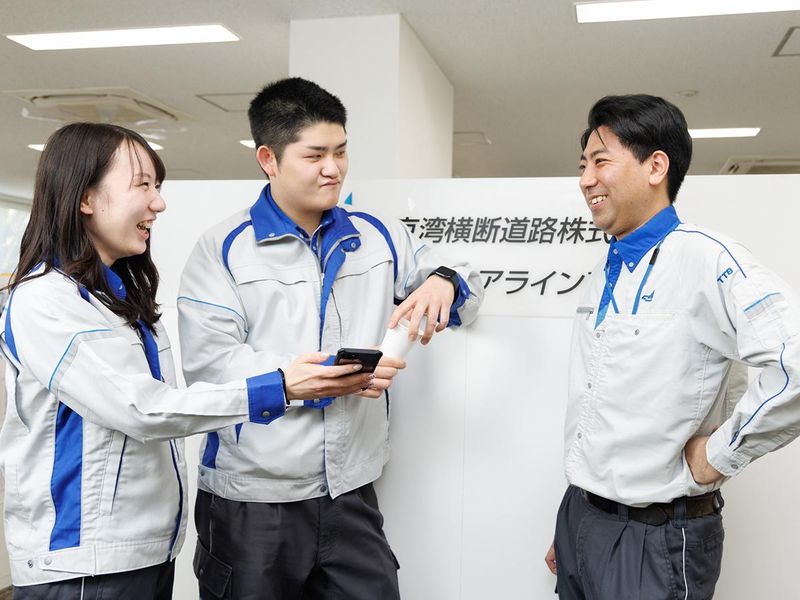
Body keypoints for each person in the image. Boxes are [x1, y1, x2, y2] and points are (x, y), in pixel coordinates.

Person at [0, 122, 372, 599]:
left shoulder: (120, 299)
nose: (158, 203)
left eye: (157, 187)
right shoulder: (46, 300)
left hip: (142, 553)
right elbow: (143, 408)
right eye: (142, 185)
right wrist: (280, 385)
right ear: (85, 198)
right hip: (81, 565)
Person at [178, 77, 484, 599]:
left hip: (350, 492)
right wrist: (317, 377)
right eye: (315, 155)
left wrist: (444, 280)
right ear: (269, 159)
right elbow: (211, 365)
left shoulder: (377, 234)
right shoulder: (223, 248)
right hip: (253, 499)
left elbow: (468, 298)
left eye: (341, 151)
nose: (333, 168)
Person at [545, 94, 800, 599]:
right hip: (583, 518)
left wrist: (720, 455)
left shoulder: (708, 260)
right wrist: (579, 519)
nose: (586, 179)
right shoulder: (606, 270)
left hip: (657, 537)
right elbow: (600, 401)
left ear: (656, 166)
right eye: (582, 165)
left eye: (600, 161)